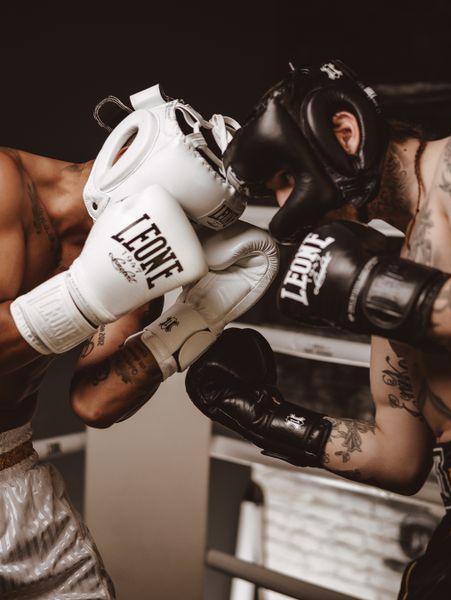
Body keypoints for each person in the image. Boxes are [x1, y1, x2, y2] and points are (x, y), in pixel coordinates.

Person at [186, 60, 451, 598]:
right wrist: (269, 418)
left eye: (285, 179)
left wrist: (371, 290)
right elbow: (400, 460)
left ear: (344, 133)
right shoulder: (391, 266)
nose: (284, 206)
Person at [0, 83, 279, 599]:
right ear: (126, 146)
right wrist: (84, 297)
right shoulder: (4, 186)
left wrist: (198, 316)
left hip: (13, 470)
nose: (165, 228)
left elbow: (95, 402)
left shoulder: (144, 257)